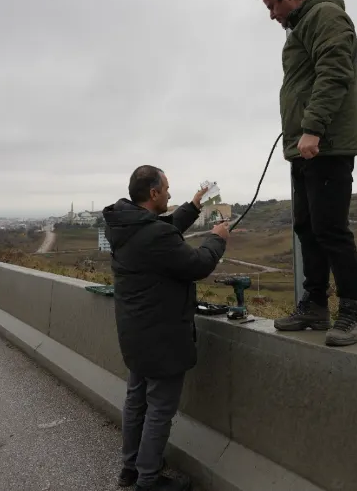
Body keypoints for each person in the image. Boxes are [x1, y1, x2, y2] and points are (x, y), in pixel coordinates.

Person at [253, 0, 357, 347]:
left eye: (272, 5)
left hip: (326, 145)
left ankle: (352, 312)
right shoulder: (301, 27)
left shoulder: (325, 15)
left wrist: (314, 127)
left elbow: (335, 72)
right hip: (302, 149)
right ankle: (315, 305)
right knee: (307, 228)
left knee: (331, 229)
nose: (272, 15)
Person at [102, 165, 230, 491]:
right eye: (168, 189)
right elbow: (197, 264)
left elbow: (166, 228)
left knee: (136, 402)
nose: (171, 195)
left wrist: (196, 202)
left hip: (136, 334)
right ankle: (148, 479)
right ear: (154, 193)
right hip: (162, 338)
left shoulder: (127, 226)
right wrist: (217, 239)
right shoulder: (152, 235)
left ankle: (129, 469)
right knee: (159, 409)